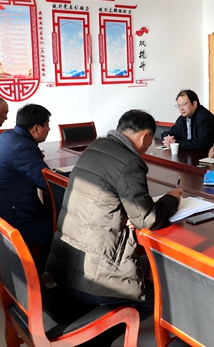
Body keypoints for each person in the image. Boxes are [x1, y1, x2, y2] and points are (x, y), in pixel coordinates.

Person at [45, 109, 181, 335]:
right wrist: (171, 199)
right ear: (145, 136)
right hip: (94, 279)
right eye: (149, 142)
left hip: (63, 267)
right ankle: (93, 338)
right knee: (154, 300)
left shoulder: (95, 147)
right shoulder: (129, 162)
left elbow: (106, 200)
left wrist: (129, 214)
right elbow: (147, 219)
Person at [0, 104, 52, 250]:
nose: (49, 129)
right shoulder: (23, 147)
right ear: (36, 128)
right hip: (2, 223)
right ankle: (38, 265)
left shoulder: (8, 136)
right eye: (47, 125)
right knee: (56, 227)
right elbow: (47, 183)